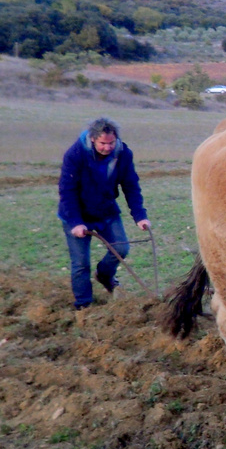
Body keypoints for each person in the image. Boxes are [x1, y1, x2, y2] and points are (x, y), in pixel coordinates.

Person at [57, 117, 150, 309]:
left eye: (111, 143)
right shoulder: (75, 154)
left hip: (106, 212)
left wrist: (140, 216)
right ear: (92, 139)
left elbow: (130, 185)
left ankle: (105, 276)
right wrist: (75, 222)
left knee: (121, 249)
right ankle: (83, 306)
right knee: (81, 263)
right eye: (103, 143)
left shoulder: (123, 154)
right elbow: (67, 190)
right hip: (78, 216)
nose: (107, 147)